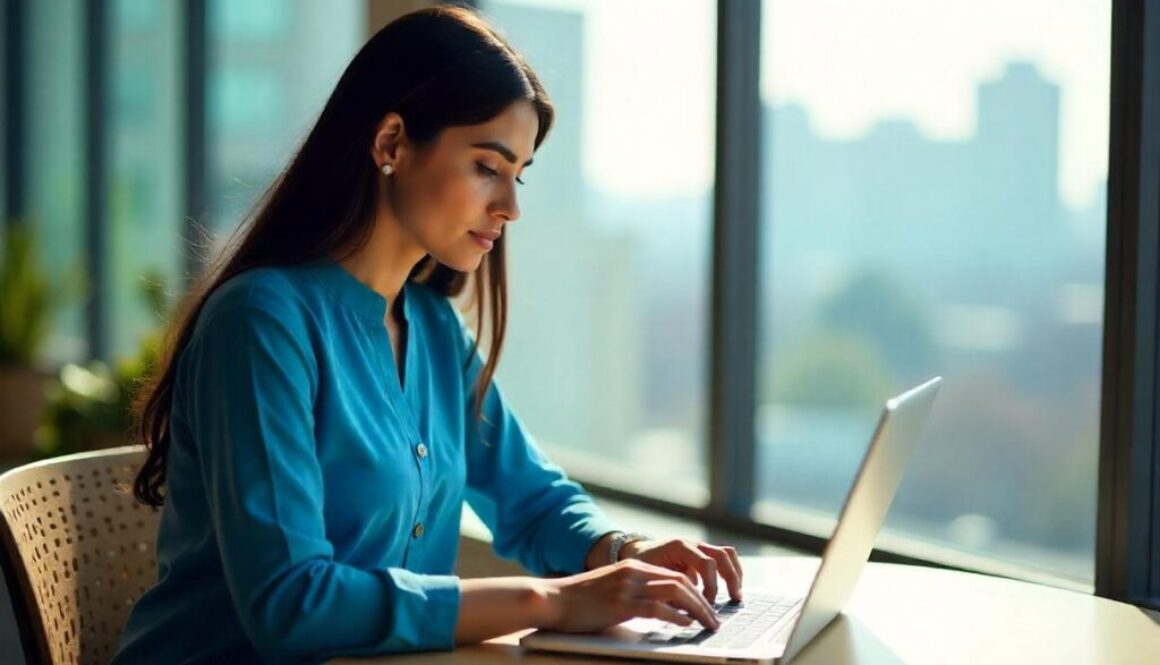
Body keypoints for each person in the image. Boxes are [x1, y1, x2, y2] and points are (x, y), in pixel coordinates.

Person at [110, 7, 742, 665]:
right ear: (390, 143)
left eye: (518, 174)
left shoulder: (434, 329)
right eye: (486, 166)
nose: (510, 206)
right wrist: (551, 601)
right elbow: (291, 602)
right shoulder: (262, 323)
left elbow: (532, 498)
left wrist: (624, 550)